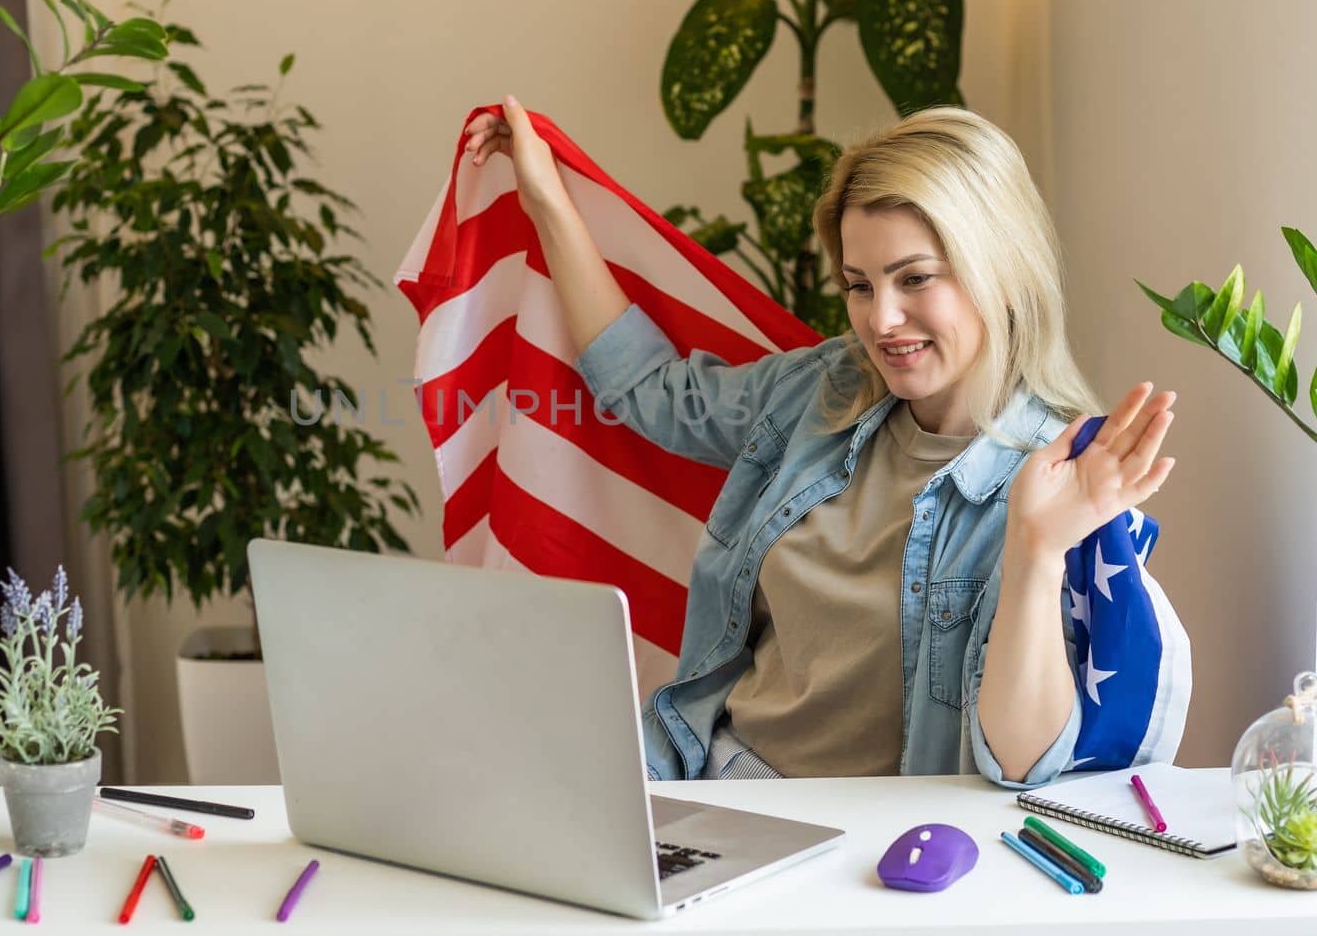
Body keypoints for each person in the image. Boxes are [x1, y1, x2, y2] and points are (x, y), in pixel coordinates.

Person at [463, 96, 1180, 788]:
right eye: (859, 285)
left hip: (872, 855)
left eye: (915, 278)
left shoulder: (1059, 479)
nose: (883, 319)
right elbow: (651, 392)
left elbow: (1020, 764)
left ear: (1001, 268)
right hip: (706, 776)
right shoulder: (826, 386)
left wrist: (1036, 548)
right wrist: (547, 202)